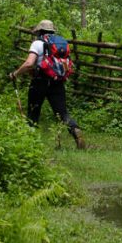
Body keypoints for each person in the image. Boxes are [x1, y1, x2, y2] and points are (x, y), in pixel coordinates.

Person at [9, 19, 85, 149]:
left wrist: (15, 74)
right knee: (62, 113)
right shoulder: (61, 42)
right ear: (52, 31)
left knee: (34, 112)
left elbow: (29, 63)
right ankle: (75, 129)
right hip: (57, 82)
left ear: (39, 31)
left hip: (40, 82)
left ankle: (29, 143)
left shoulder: (37, 43)